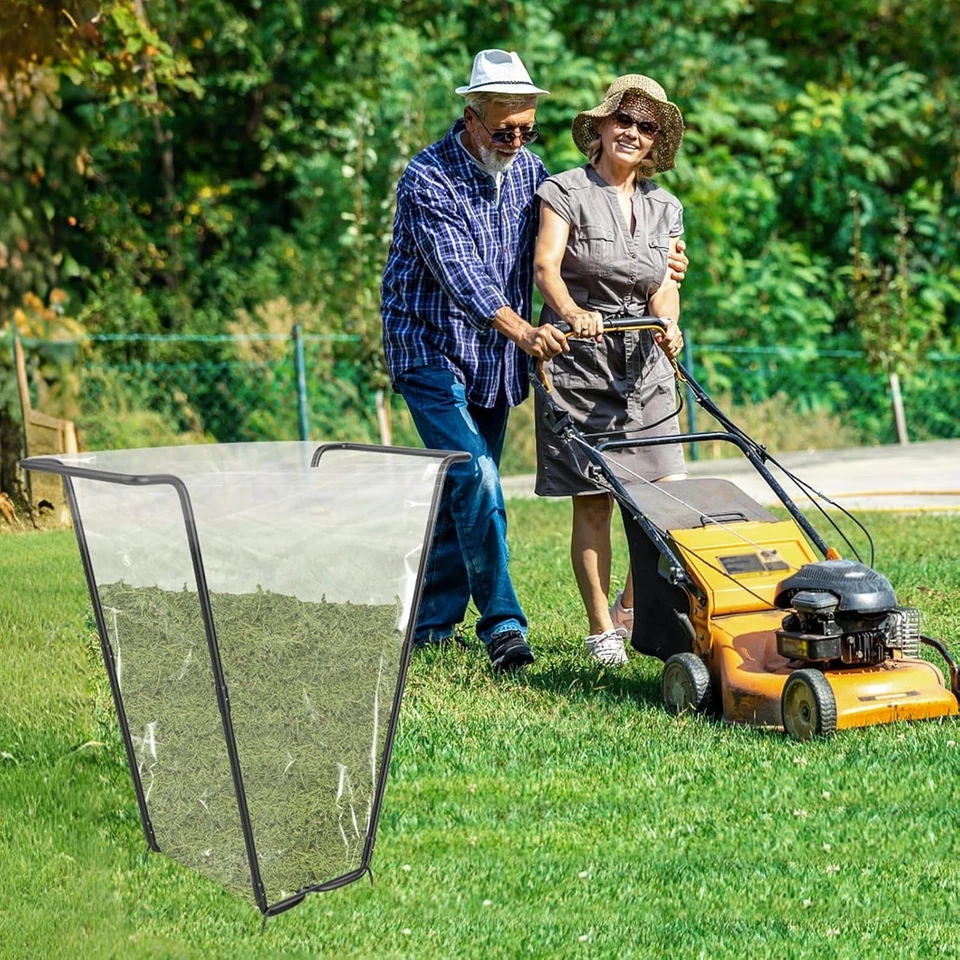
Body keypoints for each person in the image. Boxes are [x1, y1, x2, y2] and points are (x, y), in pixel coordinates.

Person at [381, 53, 688, 672]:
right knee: (479, 478)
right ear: (471, 117)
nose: (517, 141)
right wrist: (528, 330)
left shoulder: (530, 172)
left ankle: (434, 623)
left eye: (528, 129)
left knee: (460, 485)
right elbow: (460, 276)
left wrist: (663, 262)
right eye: (504, 130)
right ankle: (503, 625)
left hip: (491, 357)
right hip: (432, 349)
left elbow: (567, 246)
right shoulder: (427, 178)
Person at [532, 74, 688, 666]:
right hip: (580, 365)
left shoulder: (665, 206)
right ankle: (603, 631)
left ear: (655, 142)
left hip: (645, 368)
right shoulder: (564, 191)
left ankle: (634, 607)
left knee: (665, 500)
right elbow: (547, 268)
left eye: (646, 126)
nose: (633, 132)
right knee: (593, 499)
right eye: (623, 119)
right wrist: (573, 313)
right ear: (599, 126)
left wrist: (668, 322)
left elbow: (664, 287)